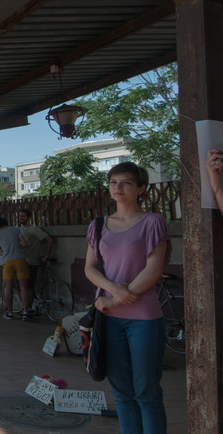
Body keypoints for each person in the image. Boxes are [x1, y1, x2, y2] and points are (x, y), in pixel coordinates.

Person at [84, 162, 170, 434]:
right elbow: (90, 268)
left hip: (143, 319)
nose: (118, 188)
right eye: (113, 183)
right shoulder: (99, 225)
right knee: (122, 392)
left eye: (126, 183)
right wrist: (114, 289)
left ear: (141, 188)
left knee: (147, 391)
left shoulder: (153, 222)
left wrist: (116, 298)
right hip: (108, 320)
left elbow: (153, 270)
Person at [0, 217, 32, 320]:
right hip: (20, 260)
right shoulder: (16, 230)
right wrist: (18, 247)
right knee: (23, 287)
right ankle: (26, 311)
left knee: (9, 288)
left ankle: (10, 312)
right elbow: (24, 244)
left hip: (8, 262)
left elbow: (2, 249)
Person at [18, 208, 54, 314]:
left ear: (29, 218)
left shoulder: (34, 229)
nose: (20, 218)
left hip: (32, 261)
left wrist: (46, 255)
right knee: (18, 284)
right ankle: (26, 306)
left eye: (23, 216)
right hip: (21, 260)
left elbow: (49, 240)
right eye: (19, 216)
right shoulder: (20, 229)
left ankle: (28, 309)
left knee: (29, 286)